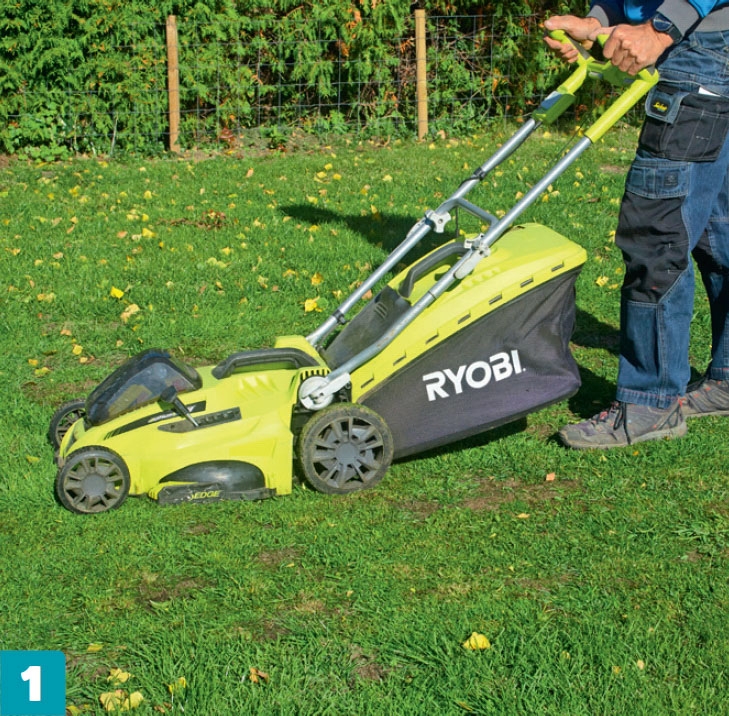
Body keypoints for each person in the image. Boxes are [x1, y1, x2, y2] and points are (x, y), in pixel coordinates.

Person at [543, 1, 729, 449]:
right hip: (709, 44)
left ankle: (651, 401)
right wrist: (600, 20)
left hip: (699, 47)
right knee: (717, 229)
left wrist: (659, 30)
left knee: (657, 233)